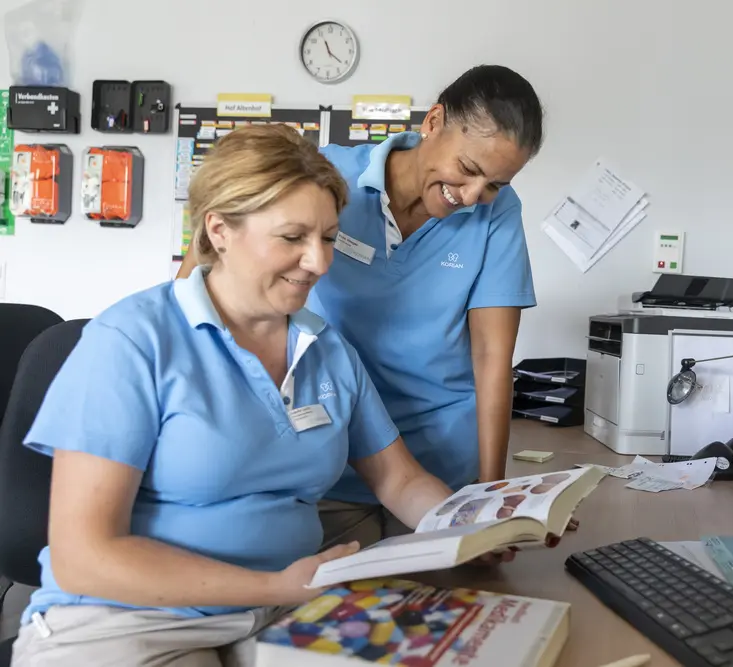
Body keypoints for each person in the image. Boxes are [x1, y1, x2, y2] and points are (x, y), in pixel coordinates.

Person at [11, 124, 482, 667]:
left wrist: (474, 524)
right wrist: (273, 587)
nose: (319, 263)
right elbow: (82, 558)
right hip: (129, 620)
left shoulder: (326, 350)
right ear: (219, 230)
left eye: (328, 238)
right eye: (293, 238)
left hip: (281, 613)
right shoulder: (130, 342)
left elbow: (399, 480)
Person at [178, 64, 552, 550]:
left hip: (434, 462)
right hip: (328, 443)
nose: (474, 197)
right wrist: (179, 332)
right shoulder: (329, 179)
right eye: (469, 170)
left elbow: (491, 357)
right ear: (433, 122)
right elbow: (200, 276)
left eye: (495, 184)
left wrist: (489, 494)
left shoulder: (494, 213)